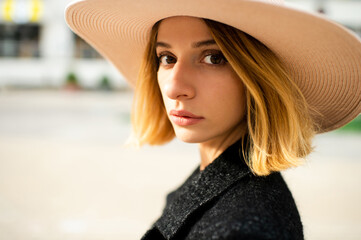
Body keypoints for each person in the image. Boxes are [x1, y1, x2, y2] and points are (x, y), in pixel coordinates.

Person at [65, 0, 361, 239]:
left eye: (213, 58)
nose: (174, 86)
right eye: (167, 58)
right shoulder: (221, 183)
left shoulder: (245, 228)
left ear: (258, 77)